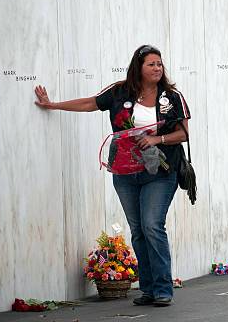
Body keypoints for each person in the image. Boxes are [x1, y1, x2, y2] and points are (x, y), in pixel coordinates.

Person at [34, 44, 190, 307]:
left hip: (161, 172)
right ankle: (149, 289)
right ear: (138, 67)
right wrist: (52, 105)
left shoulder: (172, 97)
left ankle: (164, 289)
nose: (157, 68)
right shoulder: (120, 91)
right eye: (151, 64)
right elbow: (89, 103)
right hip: (126, 171)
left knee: (152, 225)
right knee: (138, 230)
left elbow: (184, 134)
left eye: (159, 64)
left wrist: (157, 139)